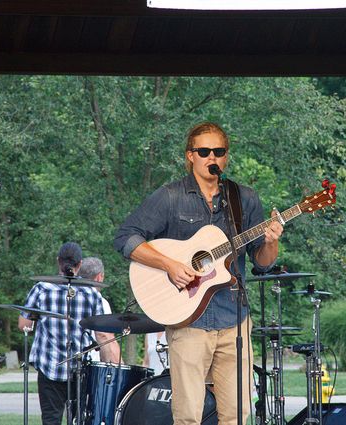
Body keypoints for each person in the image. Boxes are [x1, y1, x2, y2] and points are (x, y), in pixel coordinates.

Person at [114, 122, 283, 425]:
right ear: (190, 156)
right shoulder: (170, 197)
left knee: (237, 417)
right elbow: (126, 238)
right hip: (189, 320)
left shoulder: (243, 199)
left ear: (226, 157)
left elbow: (262, 262)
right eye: (204, 151)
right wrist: (169, 265)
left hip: (234, 320)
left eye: (218, 151)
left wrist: (272, 241)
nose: (211, 157)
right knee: (189, 417)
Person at [17, 242, 118, 425]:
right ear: (80, 264)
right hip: (79, 370)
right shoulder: (92, 295)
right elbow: (102, 336)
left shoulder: (42, 289)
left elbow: (24, 324)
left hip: (49, 366)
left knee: (51, 419)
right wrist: (108, 372)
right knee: (79, 419)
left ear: (58, 262)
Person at [78, 256, 122, 363]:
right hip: (88, 364)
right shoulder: (101, 302)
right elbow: (106, 337)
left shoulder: (68, 296)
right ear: (99, 277)